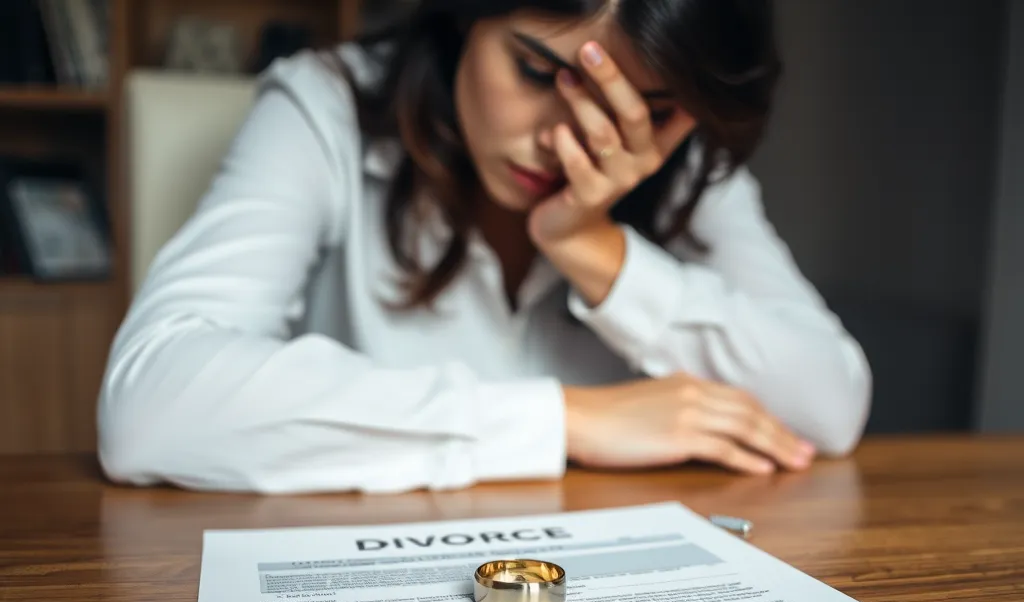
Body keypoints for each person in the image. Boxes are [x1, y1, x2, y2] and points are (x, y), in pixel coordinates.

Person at [97, 0, 872, 494]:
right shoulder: (327, 104)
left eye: (643, 109)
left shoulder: (683, 159)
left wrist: (597, 250)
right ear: (467, 15)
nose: (568, 142)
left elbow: (830, 408)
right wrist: (566, 420)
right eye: (538, 71)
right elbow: (150, 404)